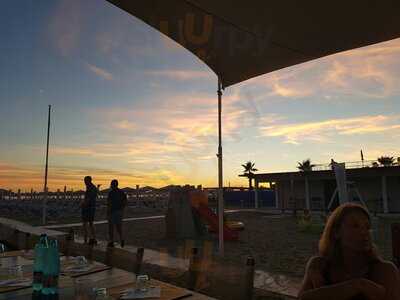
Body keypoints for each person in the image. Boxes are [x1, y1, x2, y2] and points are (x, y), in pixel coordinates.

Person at [298, 203, 400, 300]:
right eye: (355, 226)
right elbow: (302, 298)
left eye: (367, 227)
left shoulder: (385, 270)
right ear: (336, 232)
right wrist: (356, 285)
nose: (364, 232)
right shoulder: (319, 266)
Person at [107, 179, 127, 247]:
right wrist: (122, 209)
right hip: (119, 212)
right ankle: (121, 239)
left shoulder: (111, 193)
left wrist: (108, 212)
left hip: (113, 212)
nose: (111, 186)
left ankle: (111, 241)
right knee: (118, 227)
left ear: (113, 185)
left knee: (111, 228)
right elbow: (125, 202)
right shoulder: (121, 192)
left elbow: (109, 203)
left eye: (111, 184)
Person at [81, 176, 98, 245]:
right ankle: (91, 238)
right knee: (89, 223)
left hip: (89, 208)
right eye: (84, 181)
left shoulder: (91, 188)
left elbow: (89, 198)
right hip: (90, 207)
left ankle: (89, 239)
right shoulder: (91, 187)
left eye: (85, 181)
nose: (84, 182)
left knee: (87, 223)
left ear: (89, 180)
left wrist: (83, 203)